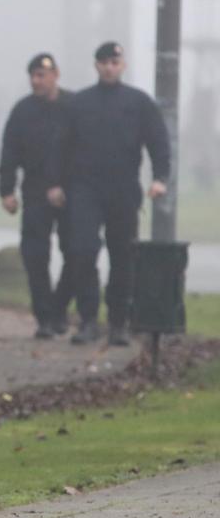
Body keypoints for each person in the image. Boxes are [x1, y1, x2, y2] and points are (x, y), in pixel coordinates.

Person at [46, 41, 170, 346]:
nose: (109, 68)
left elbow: (158, 142)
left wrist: (160, 177)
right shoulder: (79, 103)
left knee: (123, 256)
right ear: (96, 66)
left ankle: (118, 323)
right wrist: (55, 184)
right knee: (83, 251)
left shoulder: (139, 102)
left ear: (122, 65)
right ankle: (88, 320)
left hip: (123, 188)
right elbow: (59, 146)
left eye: (114, 63)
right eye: (104, 63)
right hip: (84, 188)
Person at [0, 53, 73, 338]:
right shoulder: (23, 110)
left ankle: (59, 306)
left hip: (71, 192)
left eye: (42, 75)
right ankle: (44, 316)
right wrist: (6, 190)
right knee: (35, 255)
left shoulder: (73, 107)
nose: (37, 81)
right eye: (33, 76)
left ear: (56, 75)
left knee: (77, 252)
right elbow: (9, 151)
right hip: (35, 190)